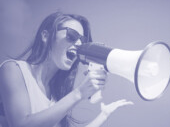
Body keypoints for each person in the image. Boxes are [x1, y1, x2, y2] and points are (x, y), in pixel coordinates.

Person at [0, 12, 133, 127]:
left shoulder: (55, 99)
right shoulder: (13, 69)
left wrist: (104, 114)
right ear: (46, 36)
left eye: (83, 40)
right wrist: (79, 93)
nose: (79, 44)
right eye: (72, 35)